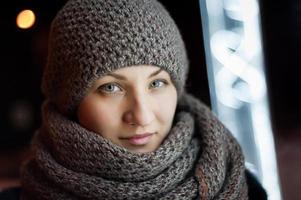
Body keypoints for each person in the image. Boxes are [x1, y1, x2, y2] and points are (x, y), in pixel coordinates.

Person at [0, 0, 267, 199]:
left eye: (157, 83)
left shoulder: (242, 188)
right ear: (69, 99)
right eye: (112, 88)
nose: (141, 116)